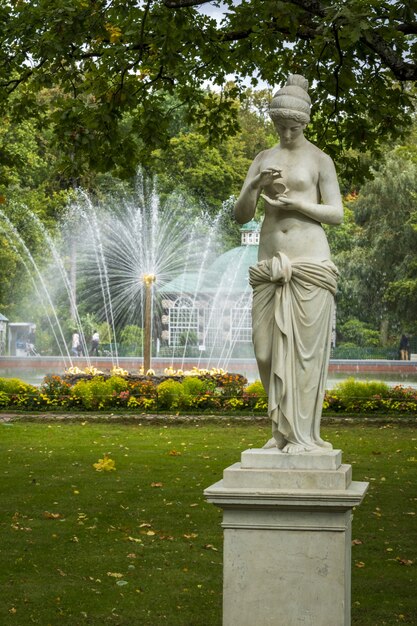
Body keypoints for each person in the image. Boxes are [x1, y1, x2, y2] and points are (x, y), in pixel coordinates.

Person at [234, 74, 343, 453]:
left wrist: (298, 205)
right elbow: (241, 215)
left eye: (293, 127)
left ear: (305, 123)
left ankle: (299, 436)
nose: (286, 133)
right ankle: (280, 427)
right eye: (280, 126)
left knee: (303, 358)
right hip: (269, 265)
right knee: (264, 350)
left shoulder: (319, 160)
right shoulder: (263, 158)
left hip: (310, 263)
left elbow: (336, 214)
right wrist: (253, 186)